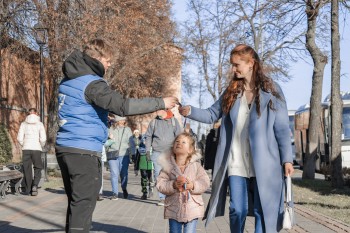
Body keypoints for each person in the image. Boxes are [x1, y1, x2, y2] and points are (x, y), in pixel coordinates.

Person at [56, 38, 178, 233]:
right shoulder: (93, 83)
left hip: (65, 148)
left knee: (75, 205)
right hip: (83, 150)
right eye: (108, 59)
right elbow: (123, 105)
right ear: (97, 58)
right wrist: (160, 102)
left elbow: (78, 109)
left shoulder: (69, 80)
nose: (110, 64)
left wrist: (105, 118)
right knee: (84, 207)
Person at [178, 44, 295, 233]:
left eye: (237, 64)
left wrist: (287, 159)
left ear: (251, 63)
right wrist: (190, 111)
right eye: (232, 65)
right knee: (236, 209)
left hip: (265, 163)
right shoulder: (232, 91)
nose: (233, 69)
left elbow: (282, 128)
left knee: (262, 211)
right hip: (236, 161)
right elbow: (211, 114)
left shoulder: (272, 90)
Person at [156, 132, 210, 233]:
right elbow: (160, 184)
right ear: (173, 148)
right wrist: (173, 185)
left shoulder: (196, 166)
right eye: (177, 141)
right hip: (174, 208)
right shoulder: (168, 167)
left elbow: (205, 181)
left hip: (192, 208)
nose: (179, 143)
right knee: (174, 231)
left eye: (183, 142)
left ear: (190, 150)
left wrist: (193, 185)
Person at [145, 109, 181, 206]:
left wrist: (179, 151)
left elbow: (179, 137)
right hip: (157, 152)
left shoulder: (173, 121)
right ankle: (162, 198)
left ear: (164, 110)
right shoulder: (154, 122)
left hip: (170, 153)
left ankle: (171, 196)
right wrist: (147, 150)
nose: (156, 112)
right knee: (158, 175)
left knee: (170, 175)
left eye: (158, 110)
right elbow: (148, 136)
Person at [17, 108, 47, 196]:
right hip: (36, 148)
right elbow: (43, 138)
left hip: (26, 148)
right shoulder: (40, 124)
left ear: (29, 113)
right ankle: (35, 186)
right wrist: (41, 145)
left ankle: (28, 189)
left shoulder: (23, 124)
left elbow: (19, 138)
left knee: (27, 169)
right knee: (38, 167)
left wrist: (24, 144)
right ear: (36, 113)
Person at [106, 115, 132, 200]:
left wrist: (132, 154)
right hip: (112, 153)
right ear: (117, 121)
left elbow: (131, 143)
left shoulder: (127, 130)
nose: (122, 122)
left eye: (123, 120)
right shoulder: (111, 129)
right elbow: (105, 142)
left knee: (124, 174)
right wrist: (109, 139)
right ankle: (115, 193)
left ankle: (124, 188)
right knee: (114, 174)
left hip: (124, 155)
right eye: (120, 120)